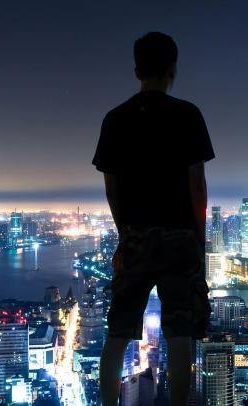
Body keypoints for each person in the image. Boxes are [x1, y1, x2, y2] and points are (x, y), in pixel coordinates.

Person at [91, 31, 213, 406]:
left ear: (136, 70)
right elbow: (197, 187)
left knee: (117, 333)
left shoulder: (115, 120)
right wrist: (198, 236)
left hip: (136, 236)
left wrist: (125, 230)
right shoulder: (188, 115)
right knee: (179, 333)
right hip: (179, 237)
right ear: (173, 70)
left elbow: (112, 190)